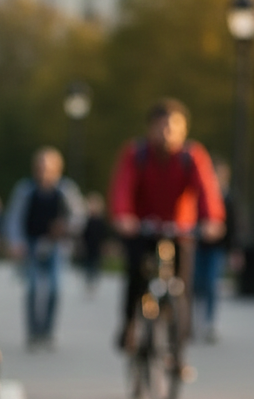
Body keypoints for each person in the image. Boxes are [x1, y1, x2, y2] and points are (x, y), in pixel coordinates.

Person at [109, 99, 225, 348]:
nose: (167, 133)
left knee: (182, 284)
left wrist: (212, 221)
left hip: (180, 230)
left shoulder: (192, 156)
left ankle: (178, 347)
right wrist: (124, 216)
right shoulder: (136, 154)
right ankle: (129, 324)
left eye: (174, 127)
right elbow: (123, 189)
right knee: (136, 275)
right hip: (143, 228)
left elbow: (207, 191)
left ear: (184, 130)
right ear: (149, 128)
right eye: (161, 127)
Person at [6, 147, 83, 348]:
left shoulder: (65, 190)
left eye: (48, 167)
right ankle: (33, 332)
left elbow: (78, 216)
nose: (43, 171)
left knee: (55, 289)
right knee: (32, 288)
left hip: (56, 246)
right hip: (31, 244)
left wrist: (65, 227)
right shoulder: (25, 190)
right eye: (40, 167)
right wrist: (16, 242)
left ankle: (47, 332)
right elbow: (15, 218)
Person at [193, 159, 236, 343]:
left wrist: (234, 250)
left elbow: (233, 226)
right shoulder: (199, 196)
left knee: (211, 283)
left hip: (216, 249)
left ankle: (210, 322)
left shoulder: (228, 198)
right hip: (198, 246)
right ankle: (194, 320)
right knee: (195, 284)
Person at [81, 192, 108, 293]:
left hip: (97, 247)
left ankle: (94, 283)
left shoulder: (101, 221)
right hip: (88, 247)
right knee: (88, 266)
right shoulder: (87, 220)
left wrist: (104, 246)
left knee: (95, 266)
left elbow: (104, 235)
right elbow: (83, 234)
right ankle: (88, 283)